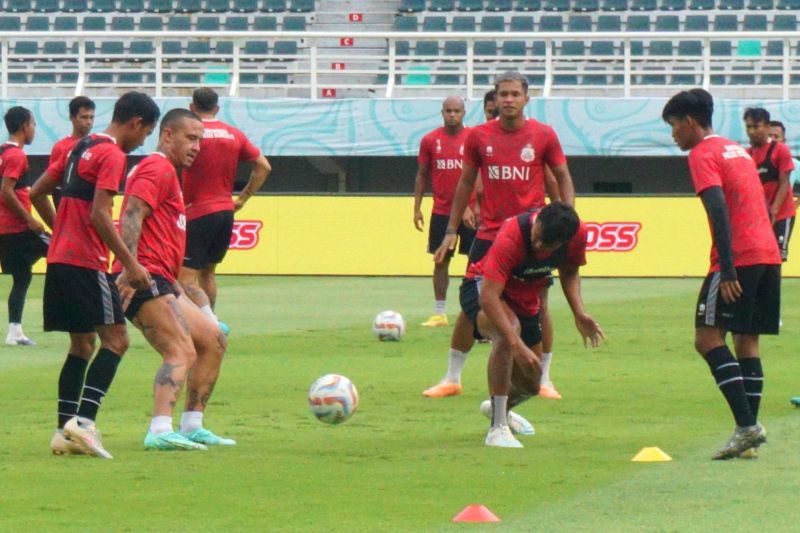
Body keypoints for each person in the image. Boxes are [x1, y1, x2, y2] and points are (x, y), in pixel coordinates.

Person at [422, 71, 575, 410]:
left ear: (525, 98)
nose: (508, 99)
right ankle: (452, 378)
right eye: (503, 94)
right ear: (495, 99)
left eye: (514, 94)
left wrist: (565, 221)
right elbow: (465, 182)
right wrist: (451, 229)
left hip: (531, 240)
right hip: (490, 236)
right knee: (472, 307)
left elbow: (561, 176)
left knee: (540, 305)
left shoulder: (543, 135)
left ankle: (544, 376)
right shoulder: (478, 137)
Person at [30, 91, 160, 458]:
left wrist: (60, 233)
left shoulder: (78, 147)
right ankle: (83, 424)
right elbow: (100, 215)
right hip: (85, 262)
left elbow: (38, 193)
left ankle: (62, 431)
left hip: (59, 260)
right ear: (135, 123)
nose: (141, 142)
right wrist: (131, 265)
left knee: (82, 345)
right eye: (145, 133)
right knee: (117, 341)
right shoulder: (113, 155)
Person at [662, 89, 780, 460]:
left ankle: (747, 426)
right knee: (747, 341)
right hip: (767, 254)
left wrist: (726, 267)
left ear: (691, 123)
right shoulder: (735, 150)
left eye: (674, 126)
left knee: (707, 339)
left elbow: (717, 209)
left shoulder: (702, 153)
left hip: (737, 258)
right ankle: (748, 435)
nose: (673, 135)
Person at [113, 108, 232, 451]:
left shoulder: (171, 175)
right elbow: (133, 211)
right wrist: (129, 267)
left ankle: (192, 425)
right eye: (190, 138)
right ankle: (159, 429)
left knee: (214, 341)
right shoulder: (156, 166)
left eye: (200, 140)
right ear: (167, 135)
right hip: (143, 277)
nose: (197, 147)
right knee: (180, 350)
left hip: (163, 279)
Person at [466, 202, 603, 448]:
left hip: (526, 298)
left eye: (546, 245)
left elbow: (570, 271)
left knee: (532, 382)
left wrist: (579, 312)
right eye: (537, 238)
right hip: (482, 287)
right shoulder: (512, 235)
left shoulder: (577, 235)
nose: (538, 245)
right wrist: (516, 344)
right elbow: (488, 296)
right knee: (508, 332)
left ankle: (501, 409)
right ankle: (497, 428)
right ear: (537, 220)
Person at [178, 88, 271, 334]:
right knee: (208, 273)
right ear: (217, 108)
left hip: (196, 211)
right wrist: (241, 199)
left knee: (184, 278)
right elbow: (264, 166)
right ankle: (211, 320)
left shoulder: (190, 135)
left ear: (191, 108)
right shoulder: (234, 134)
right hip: (225, 212)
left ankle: (205, 323)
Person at [413, 96, 476, 327]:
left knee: (475, 262)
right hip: (441, 211)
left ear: (464, 113)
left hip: (470, 212)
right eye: (448, 111)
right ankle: (440, 313)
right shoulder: (430, 140)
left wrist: (475, 205)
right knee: (441, 261)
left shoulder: (473, 138)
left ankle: (472, 311)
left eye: (456, 111)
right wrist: (417, 207)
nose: (452, 115)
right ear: (442, 113)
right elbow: (422, 174)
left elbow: (480, 175)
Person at [0, 106, 47, 346]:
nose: (34, 129)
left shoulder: (2, 152)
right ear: (24, 127)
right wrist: (29, 219)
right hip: (18, 229)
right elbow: (6, 191)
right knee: (63, 251)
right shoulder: (16, 156)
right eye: (33, 124)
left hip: (5, 231)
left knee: (22, 277)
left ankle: (15, 331)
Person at [744, 108, 795, 262]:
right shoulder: (746, 154)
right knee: (759, 257)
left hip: (781, 215)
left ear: (766, 126)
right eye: (748, 127)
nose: (752, 131)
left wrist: (773, 212)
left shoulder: (780, 150)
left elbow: (784, 183)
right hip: (759, 217)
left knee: (777, 258)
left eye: (756, 126)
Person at [48, 96, 96, 210]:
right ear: (72, 118)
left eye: (91, 117)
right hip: (71, 212)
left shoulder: (98, 145)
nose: (89, 122)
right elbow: (55, 186)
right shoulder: (60, 147)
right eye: (84, 117)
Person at [767, 120, 800, 211]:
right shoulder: (754, 161)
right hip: (761, 213)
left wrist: (796, 203)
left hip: (784, 215)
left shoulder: (794, 164)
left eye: (776, 137)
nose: (772, 140)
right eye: (769, 136)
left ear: (783, 141)